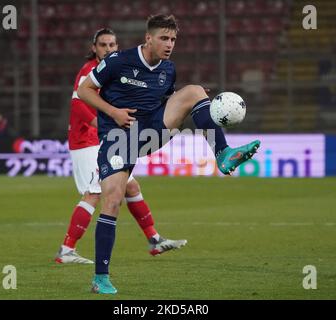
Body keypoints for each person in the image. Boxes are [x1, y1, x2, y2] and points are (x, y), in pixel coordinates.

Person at [78, 15, 260, 294]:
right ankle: (100, 277)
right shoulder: (118, 61)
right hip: (119, 137)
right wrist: (113, 112)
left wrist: (197, 103)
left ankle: (222, 154)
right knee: (112, 200)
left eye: (173, 39)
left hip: (152, 131)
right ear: (148, 38)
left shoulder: (168, 69)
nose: (170, 44)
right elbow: (84, 90)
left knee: (195, 91)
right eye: (164, 38)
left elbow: (167, 101)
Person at [55, 28, 186, 265]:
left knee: (131, 187)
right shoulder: (89, 71)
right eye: (103, 45)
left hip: (108, 141)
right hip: (88, 142)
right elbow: (78, 103)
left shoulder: (117, 67)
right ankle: (66, 249)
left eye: (112, 45)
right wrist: (106, 121)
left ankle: (154, 239)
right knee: (96, 192)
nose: (108, 49)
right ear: (93, 48)